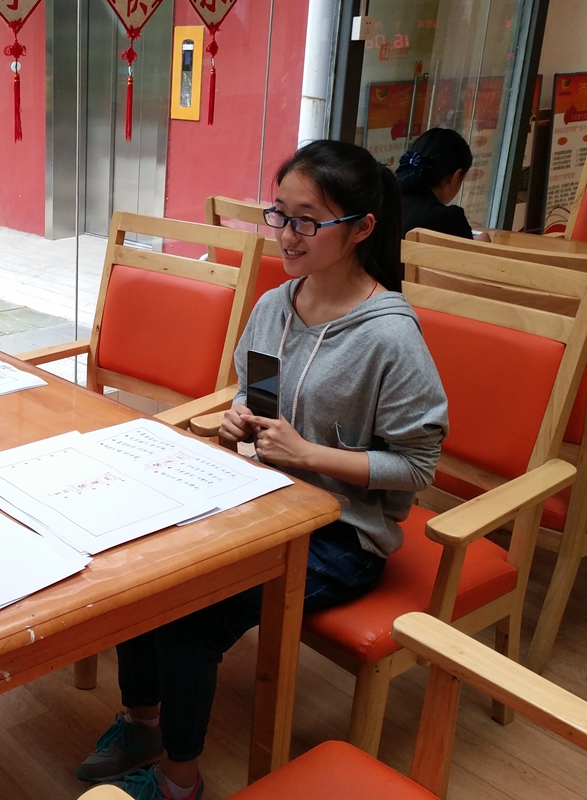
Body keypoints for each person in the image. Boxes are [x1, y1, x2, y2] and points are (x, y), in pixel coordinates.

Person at [77, 140, 449, 800]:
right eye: (280, 214)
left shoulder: (390, 337)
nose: (286, 234)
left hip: (343, 535)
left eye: (308, 220)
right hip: (262, 500)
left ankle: (179, 779)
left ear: (362, 228)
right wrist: (239, 421)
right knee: (141, 568)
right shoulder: (276, 305)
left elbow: (418, 467)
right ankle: (143, 721)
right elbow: (260, 397)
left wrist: (310, 456)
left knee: (190, 616)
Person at [397, 127, 489, 241]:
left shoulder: (384, 203)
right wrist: (481, 244)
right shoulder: (448, 219)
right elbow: (467, 252)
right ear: (455, 177)